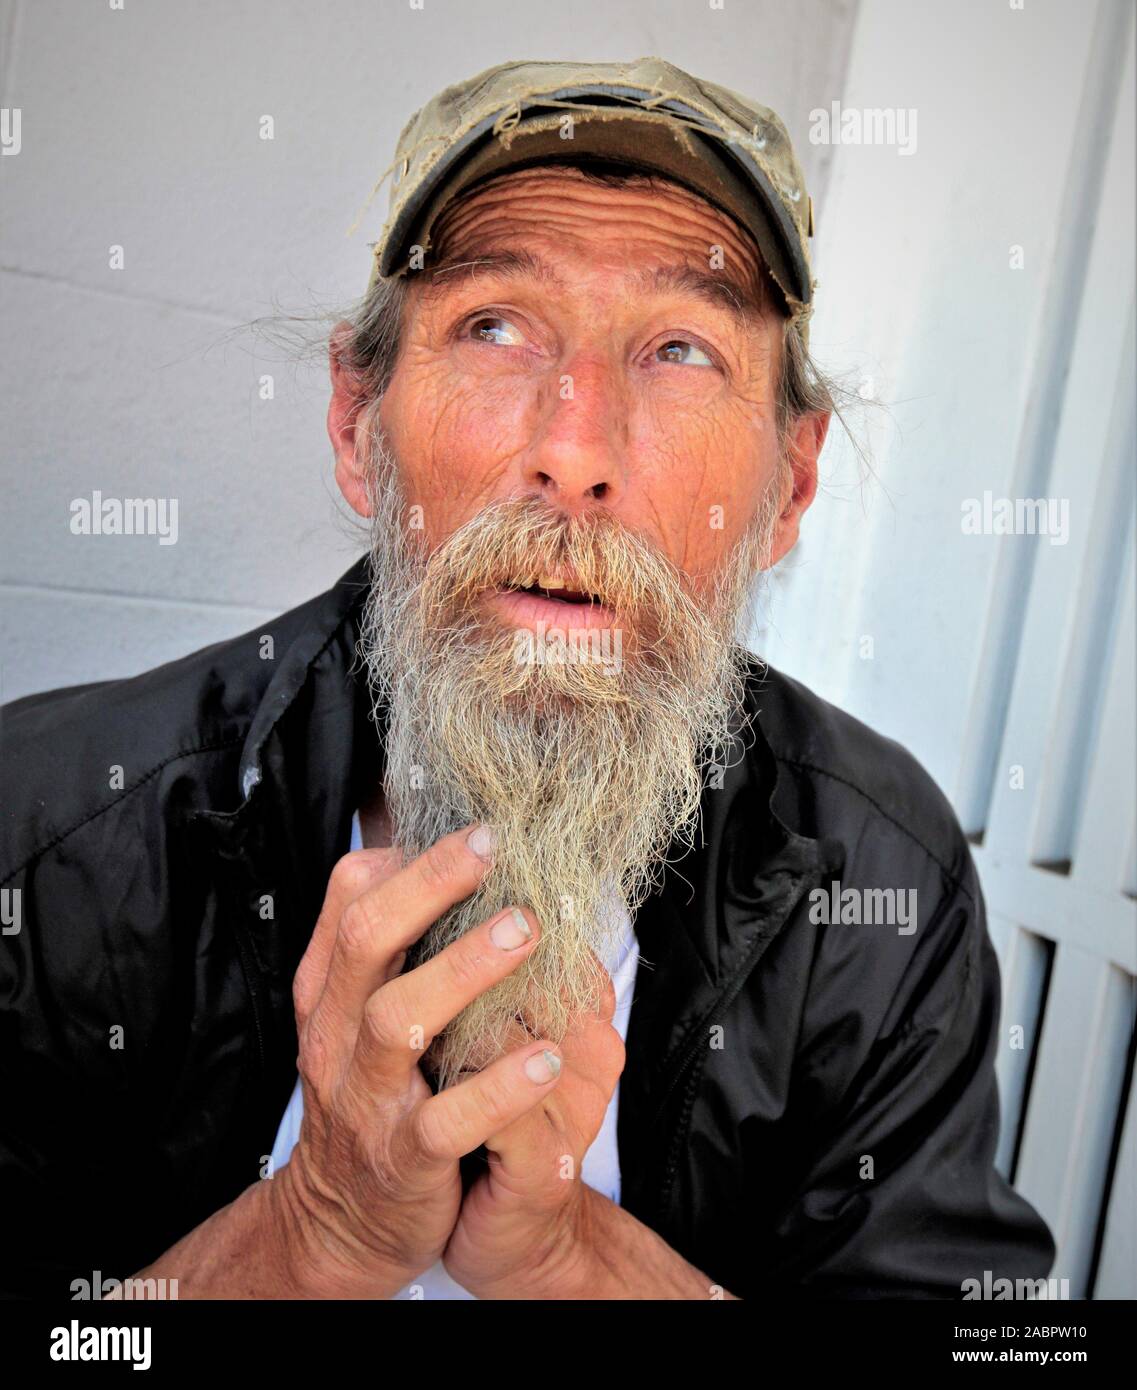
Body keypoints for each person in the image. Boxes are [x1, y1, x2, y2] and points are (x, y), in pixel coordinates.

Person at [0, 56, 1054, 1299]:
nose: (574, 449)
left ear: (793, 486)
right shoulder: (56, 838)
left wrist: (572, 1256)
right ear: (357, 423)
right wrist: (305, 1234)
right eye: (494, 325)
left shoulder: (881, 880)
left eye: (680, 349)